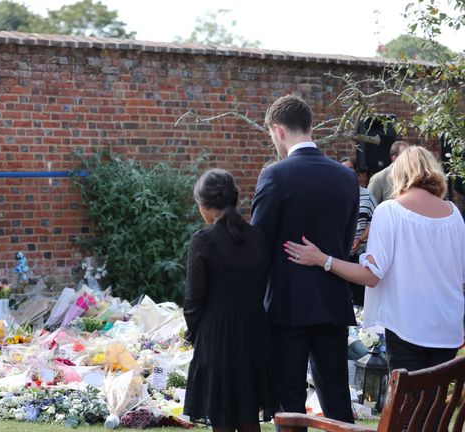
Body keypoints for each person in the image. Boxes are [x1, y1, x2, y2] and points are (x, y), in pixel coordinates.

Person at [283, 146, 465, 374]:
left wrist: (323, 259)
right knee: (434, 404)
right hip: (447, 329)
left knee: (409, 404)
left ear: (398, 174)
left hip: (407, 326)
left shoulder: (390, 211)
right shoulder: (453, 213)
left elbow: (371, 276)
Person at [250, 95, 357, 424]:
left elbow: (258, 244)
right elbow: (345, 240)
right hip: (332, 301)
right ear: (310, 127)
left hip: (288, 305)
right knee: (337, 397)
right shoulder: (346, 177)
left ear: (278, 130)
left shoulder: (275, 175)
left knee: (291, 401)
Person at [183, 168, 277, 432]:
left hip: (217, 335)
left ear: (205, 206)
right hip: (255, 331)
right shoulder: (258, 237)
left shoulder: (204, 240)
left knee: (221, 417)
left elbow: (193, 299)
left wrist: (193, 333)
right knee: (248, 415)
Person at [340, 157, 377, 306]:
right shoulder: (335, 194)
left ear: (355, 172)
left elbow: (374, 221)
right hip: (340, 253)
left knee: (361, 297)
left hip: (360, 252)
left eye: (350, 169)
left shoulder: (367, 195)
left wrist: (359, 239)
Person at [367, 140, 409, 204]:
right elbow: (369, 208)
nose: (409, 159)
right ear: (394, 158)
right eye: (405, 156)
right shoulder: (378, 179)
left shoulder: (414, 177)